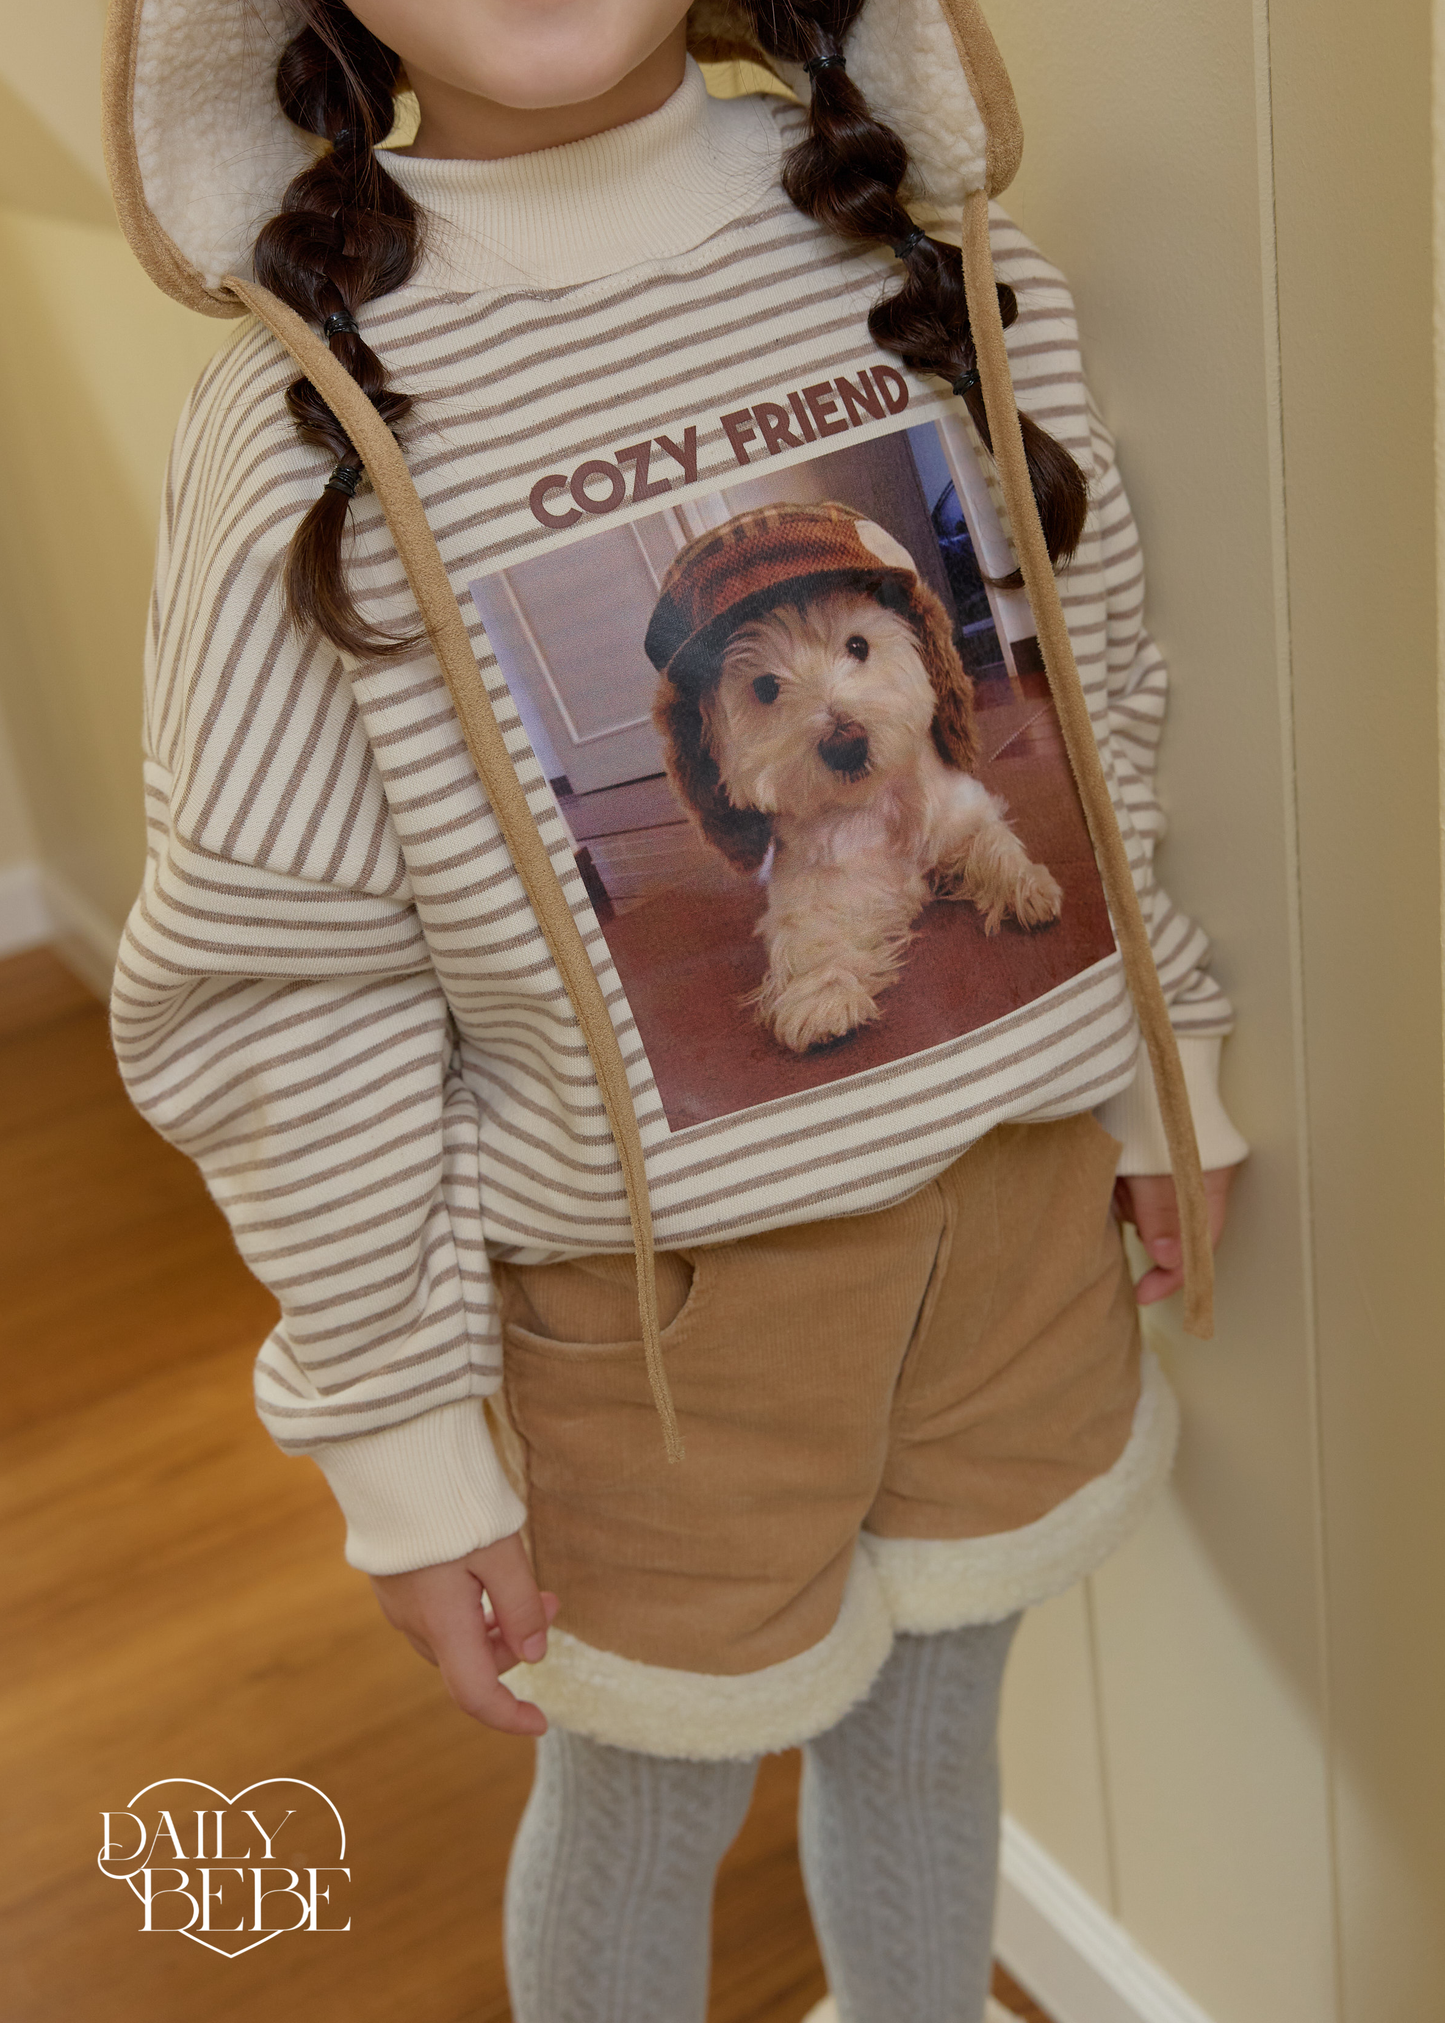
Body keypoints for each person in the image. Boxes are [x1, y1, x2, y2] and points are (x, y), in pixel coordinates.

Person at [102, 0, 1249, 2016]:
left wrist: (1167, 1083)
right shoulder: (301, 417)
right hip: (647, 1343)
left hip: (1017, 1234)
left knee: (928, 1731)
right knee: (643, 1811)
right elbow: (289, 995)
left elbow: (1105, 697)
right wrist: (402, 1443)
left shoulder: (937, 267)